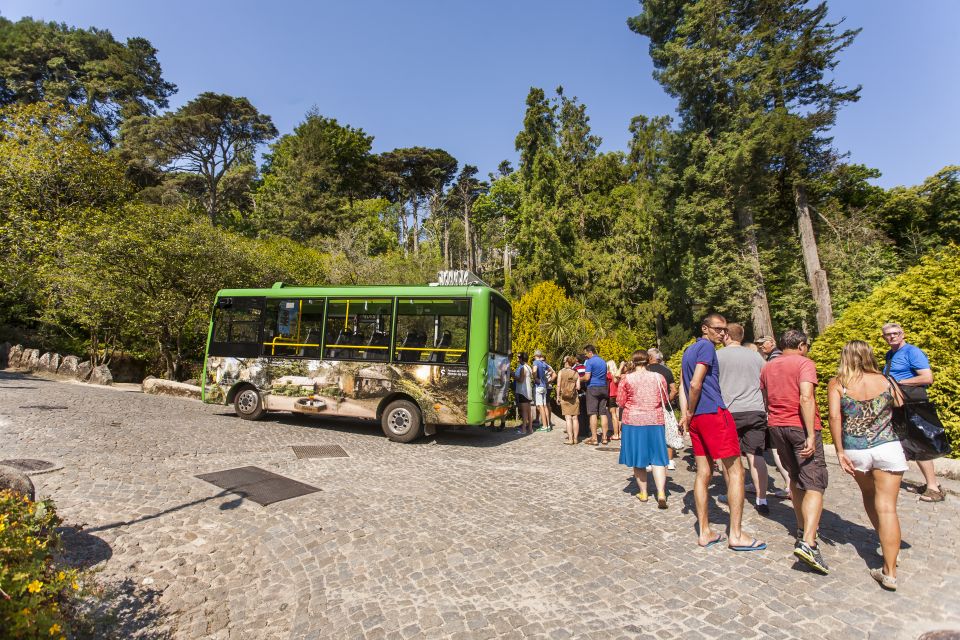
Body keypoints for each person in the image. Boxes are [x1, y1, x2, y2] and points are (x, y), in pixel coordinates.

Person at [680, 314, 765, 552]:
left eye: (724, 330)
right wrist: (693, 411)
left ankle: (705, 530)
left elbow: (684, 386)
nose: (722, 333)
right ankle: (736, 534)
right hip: (712, 413)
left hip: (697, 417)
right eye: (718, 329)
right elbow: (695, 383)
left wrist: (687, 414)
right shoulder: (707, 347)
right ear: (705, 328)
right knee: (736, 471)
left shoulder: (689, 350)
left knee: (703, 472)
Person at [827, 340, 906, 591]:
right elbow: (900, 404)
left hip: (856, 449)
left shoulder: (839, 383)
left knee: (869, 495)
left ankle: (885, 545)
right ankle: (890, 570)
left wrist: (839, 451)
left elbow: (834, 417)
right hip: (887, 446)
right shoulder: (886, 381)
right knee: (888, 507)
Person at [760, 329, 829, 574]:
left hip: (777, 426)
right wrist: (811, 433)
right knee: (814, 481)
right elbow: (806, 397)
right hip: (800, 426)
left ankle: (801, 527)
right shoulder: (804, 363)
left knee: (796, 479)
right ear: (801, 345)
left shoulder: (768, 366)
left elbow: (766, 397)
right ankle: (809, 542)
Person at [881, 322, 944, 503]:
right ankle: (929, 484)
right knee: (905, 443)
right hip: (900, 405)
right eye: (888, 334)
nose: (892, 336)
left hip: (914, 404)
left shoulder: (912, 352)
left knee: (919, 443)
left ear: (903, 334)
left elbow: (927, 377)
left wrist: (898, 383)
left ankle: (933, 487)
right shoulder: (891, 354)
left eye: (896, 333)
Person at [716, 323, 771, 515]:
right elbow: (767, 378)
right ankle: (761, 498)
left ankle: (732, 495)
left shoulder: (718, 356)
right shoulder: (755, 356)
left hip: (729, 411)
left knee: (728, 457)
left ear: (727, 336)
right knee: (755, 455)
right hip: (755, 409)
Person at [618, 350, 671, 508]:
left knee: (638, 458)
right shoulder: (658, 377)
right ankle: (661, 493)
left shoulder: (626, 379)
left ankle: (644, 493)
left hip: (633, 421)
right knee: (658, 458)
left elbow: (620, 401)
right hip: (655, 419)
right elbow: (665, 396)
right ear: (648, 361)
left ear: (633, 362)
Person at [648, 348, 679, 470]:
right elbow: (674, 390)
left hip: (650, 407)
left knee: (650, 433)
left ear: (650, 357)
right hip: (665, 406)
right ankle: (670, 460)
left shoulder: (646, 371)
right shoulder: (667, 371)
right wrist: (666, 401)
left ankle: (650, 460)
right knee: (668, 432)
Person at [582, 345, 610, 445]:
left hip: (593, 388)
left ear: (590, 352)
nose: (586, 356)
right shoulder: (603, 361)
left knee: (592, 413)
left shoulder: (590, 362)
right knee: (603, 413)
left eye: (586, 354)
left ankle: (594, 438)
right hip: (604, 388)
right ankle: (605, 438)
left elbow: (587, 377)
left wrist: (579, 378)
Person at [557, 356, 581, 445]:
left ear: (567, 362)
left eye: (564, 361)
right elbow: (578, 387)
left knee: (568, 418)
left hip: (564, 397)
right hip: (574, 398)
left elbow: (558, 386)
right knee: (575, 418)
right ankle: (576, 439)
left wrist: (557, 396)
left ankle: (570, 439)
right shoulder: (576, 373)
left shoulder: (561, 372)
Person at [532, 350, 556, 433]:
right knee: (545, 405)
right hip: (544, 386)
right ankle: (548, 425)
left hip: (539, 386)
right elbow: (552, 371)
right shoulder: (544, 364)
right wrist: (546, 380)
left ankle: (544, 426)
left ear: (535, 355)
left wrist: (535, 377)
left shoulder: (536, 362)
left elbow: (534, 371)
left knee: (540, 406)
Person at [514, 352, 533, 434]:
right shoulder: (528, 367)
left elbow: (521, 380)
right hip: (527, 391)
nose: (517, 358)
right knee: (528, 411)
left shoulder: (523, 368)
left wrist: (512, 375)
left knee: (524, 411)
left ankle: (524, 429)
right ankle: (530, 429)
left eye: (518, 357)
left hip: (523, 391)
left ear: (521, 358)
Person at [607, 360, 623, 441]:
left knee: (613, 415)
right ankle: (620, 433)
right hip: (618, 395)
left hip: (611, 395)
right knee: (618, 415)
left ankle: (616, 434)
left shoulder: (609, 375)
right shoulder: (618, 374)